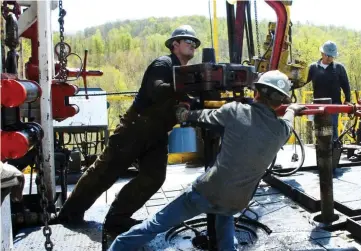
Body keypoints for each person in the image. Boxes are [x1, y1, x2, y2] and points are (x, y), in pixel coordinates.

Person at [107, 70, 307, 251]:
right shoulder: (281, 131)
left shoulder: (235, 111)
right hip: (238, 201)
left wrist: (184, 112)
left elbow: (201, 116)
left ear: (256, 91)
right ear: (280, 102)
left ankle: (118, 247)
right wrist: (293, 110)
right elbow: (288, 120)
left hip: (207, 192)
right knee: (225, 214)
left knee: (157, 224)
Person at [54, 25, 201, 233]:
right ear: (174, 44)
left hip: (157, 134)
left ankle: (117, 217)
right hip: (134, 129)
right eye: (188, 41)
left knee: (154, 177)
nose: (193, 45)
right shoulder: (164, 63)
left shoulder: (185, 74)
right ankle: (69, 215)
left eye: (195, 43)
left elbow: (187, 102)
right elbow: (157, 90)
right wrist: (186, 88)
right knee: (104, 172)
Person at [303, 40, 351, 140]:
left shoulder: (339, 68)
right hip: (318, 105)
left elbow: (346, 85)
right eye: (328, 55)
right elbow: (302, 81)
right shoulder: (313, 68)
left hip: (334, 105)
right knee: (321, 130)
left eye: (332, 56)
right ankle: (322, 151)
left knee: (332, 128)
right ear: (322, 54)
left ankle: (334, 150)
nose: (330, 58)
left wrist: (348, 100)